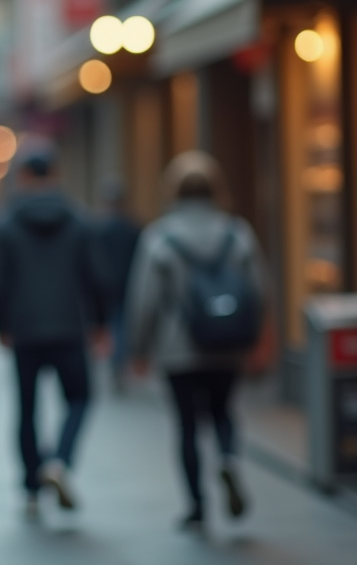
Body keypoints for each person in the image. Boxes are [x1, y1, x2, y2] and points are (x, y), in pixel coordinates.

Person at [127, 151, 268, 534]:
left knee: (187, 425)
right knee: (223, 411)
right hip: (228, 345)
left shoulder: (160, 237)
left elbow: (145, 300)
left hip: (179, 348)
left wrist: (138, 350)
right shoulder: (237, 232)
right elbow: (259, 289)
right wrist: (257, 339)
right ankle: (228, 458)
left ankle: (196, 506)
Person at [0, 152, 105, 518]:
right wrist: (100, 324)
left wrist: (1, 325)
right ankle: (59, 460)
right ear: (55, 175)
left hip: (24, 330)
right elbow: (95, 277)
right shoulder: (78, 220)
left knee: (27, 409)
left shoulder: (8, 223)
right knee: (80, 397)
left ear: (24, 177)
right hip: (69, 327)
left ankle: (30, 487)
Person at [90, 179, 141, 391]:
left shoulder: (99, 228)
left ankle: (114, 360)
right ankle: (117, 361)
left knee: (108, 323)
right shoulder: (134, 228)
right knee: (120, 323)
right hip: (127, 283)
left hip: (105, 284)